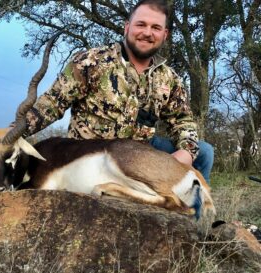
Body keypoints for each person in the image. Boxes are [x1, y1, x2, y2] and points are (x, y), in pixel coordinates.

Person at [21, 0, 214, 184]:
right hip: (92, 154)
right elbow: (52, 104)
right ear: (127, 27)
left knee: (203, 153)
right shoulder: (91, 62)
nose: (147, 33)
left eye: (155, 28)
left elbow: (182, 120)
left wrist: (186, 153)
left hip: (139, 154)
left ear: (165, 35)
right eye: (141, 25)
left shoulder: (169, 78)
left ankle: (190, 217)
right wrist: (14, 132)